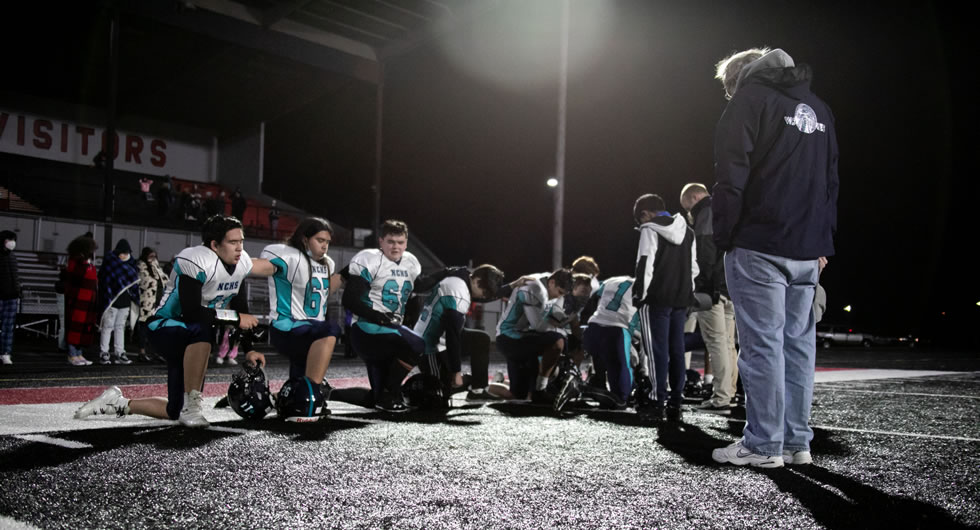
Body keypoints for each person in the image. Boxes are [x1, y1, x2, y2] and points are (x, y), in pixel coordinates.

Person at [709, 48, 838, 468]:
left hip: (759, 243)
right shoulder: (819, 108)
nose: (730, 95)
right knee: (798, 348)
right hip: (806, 249)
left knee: (762, 346)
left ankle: (764, 445)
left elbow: (732, 175)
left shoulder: (750, 100)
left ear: (739, 79)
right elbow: (830, 182)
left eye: (729, 88)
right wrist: (823, 242)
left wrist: (725, 236)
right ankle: (796, 443)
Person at [74, 215, 277, 427]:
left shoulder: (240, 263)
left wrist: (249, 348)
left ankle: (117, 403)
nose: (239, 248)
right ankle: (193, 407)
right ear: (214, 245)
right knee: (202, 328)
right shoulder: (196, 259)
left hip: (190, 334)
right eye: (233, 242)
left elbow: (240, 308)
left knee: (174, 410)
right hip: (164, 326)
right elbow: (191, 313)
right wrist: (235, 318)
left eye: (241, 241)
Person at [340, 219, 451, 412]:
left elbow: (419, 285)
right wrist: (376, 316)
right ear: (381, 241)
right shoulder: (369, 258)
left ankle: (330, 393)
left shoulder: (410, 262)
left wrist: (444, 273)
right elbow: (349, 300)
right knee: (417, 343)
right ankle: (390, 392)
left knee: (375, 398)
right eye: (391, 241)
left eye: (400, 242)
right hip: (367, 329)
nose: (395, 246)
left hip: (388, 331)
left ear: (406, 243)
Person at [261, 217, 344, 420]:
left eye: (327, 241)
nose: (324, 245)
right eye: (319, 239)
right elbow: (259, 267)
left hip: (309, 327)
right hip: (286, 325)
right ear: (305, 239)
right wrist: (234, 264)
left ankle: (282, 399)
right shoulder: (288, 256)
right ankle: (311, 393)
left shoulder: (327, 263)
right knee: (330, 329)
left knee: (299, 376)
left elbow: (324, 292)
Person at [632, 193, 698, 422]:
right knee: (676, 351)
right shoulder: (688, 231)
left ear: (645, 214)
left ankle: (656, 401)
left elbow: (645, 264)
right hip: (681, 299)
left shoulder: (649, 229)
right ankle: (676, 402)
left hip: (656, 299)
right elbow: (694, 268)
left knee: (655, 352)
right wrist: (688, 295)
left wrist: (639, 295)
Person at [680, 183, 738, 414]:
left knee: (716, 343)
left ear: (695, 197)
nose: (689, 213)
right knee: (728, 344)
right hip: (731, 286)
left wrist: (702, 288)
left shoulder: (706, 212)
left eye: (688, 207)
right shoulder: (728, 209)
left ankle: (721, 397)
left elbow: (705, 254)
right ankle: (729, 393)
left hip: (712, 289)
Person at [412, 264, 505, 396]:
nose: (485, 297)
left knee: (480, 339)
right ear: (477, 281)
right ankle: (466, 381)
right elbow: (452, 336)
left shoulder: (462, 275)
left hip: (439, 336)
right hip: (429, 346)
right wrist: (456, 371)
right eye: (485, 293)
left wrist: (512, 286)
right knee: (438, 394)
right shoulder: (459, 294)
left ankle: (477, 389)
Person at [491, 269, 573, 402]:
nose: (559, 297)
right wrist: (563, 332)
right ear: (551, 282)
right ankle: (482, 387)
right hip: (510, 338)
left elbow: (550, 319)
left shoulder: (549, 281)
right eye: (559, 292)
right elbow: (539, 326)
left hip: (525, 338)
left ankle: (496, 382)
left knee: (518, 394)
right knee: (558, 340)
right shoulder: (534, 287)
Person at [581, 276, 641, 407]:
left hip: (593, 326)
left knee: (609, 364)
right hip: (617, 330)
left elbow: (596, 294)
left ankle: (600, 389)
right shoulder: (644, 284)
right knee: (624, 366)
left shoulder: (610, 281)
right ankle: (621, 396)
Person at [97, 239, 139, 365]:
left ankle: (120, 352)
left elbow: (134, 283)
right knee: (108, 325)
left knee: (120, 327)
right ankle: (104, 352)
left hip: (125, 299)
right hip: (111, 299)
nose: (124, 255)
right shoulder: (110, 262)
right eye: (122, 253)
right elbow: (104, 279)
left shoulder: (131, 264)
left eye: (126, 253)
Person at [64, 235, 99, 366]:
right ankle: (72, 354)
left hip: (87, 301)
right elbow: (74, 280)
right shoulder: (76, 262)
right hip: (78, 301)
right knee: (74, 328)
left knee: (83, 328)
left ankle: (79, 353)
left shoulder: (87, 262)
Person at [136, 247, 167, 362]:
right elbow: (144, 282)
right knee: (144, 327)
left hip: (158, 302)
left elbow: (164, 279)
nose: (152, 259)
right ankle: (142, 351)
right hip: (147, 302)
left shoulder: (156, 266)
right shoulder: (141, 266)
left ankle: (156, 351)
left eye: (154, 256)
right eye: (150, 256)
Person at [0, 230, 20, 365]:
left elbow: (15, 276)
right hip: (0, 295)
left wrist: (17, 290)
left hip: (11, 296)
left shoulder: (12, 256)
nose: (12, 242)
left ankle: (5, 353)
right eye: (9, 240)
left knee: (8, 326)